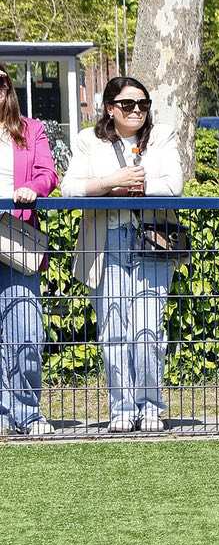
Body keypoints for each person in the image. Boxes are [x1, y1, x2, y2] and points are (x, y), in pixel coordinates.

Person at [61, 76, 184, 432]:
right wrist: (111, 183)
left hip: (152, 238)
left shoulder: (161, 136)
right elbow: (69, 188)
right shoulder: (89, 140)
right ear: (110, 107)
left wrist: (143, 186)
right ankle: (122, 407)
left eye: (142, 105)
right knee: (113, 328)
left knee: (147, 330)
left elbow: (174, 185)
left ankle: (151, 405)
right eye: (128, 104)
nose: (136, 111)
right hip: (107, 239)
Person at [1, 67, 57, 436]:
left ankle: (27, 411)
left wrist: (33, 188)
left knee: (24, 331)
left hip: (15, 234)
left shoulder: (30, 129)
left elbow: (49, 174)